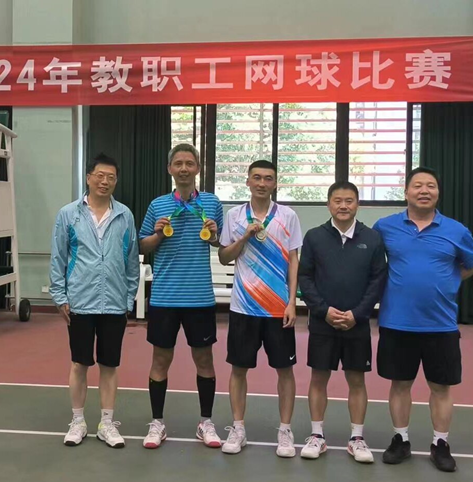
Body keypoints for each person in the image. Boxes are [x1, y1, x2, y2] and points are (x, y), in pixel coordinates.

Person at [373, 167, 473, 472]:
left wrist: (451, 280)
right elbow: (369, 261)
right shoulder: (385, 226)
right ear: (406, 192)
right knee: (400, 384)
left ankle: (440, 443)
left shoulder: (456, 230)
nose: (424, 190)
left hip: (441, 324)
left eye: (431, 186)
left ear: (438, 192)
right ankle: (400, 439)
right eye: (418, 185)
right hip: (396, 322)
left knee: (441, 387)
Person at [50, 153, 140, 448]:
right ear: (88, 177)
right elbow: (58, 257)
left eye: (111, 177)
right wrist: (60, 296)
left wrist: (129, 298)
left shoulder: (124, 215)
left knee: (109, 365)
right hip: (80, 301)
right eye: (100, 175)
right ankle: (77, 422)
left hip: (114, 302)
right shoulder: (68, 214)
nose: (105, 181)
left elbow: (131, 260)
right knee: (80, 363)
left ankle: (106, 423)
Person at [138, 143, 224, 449]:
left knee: (204, 360)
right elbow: (143, 246)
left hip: (199, 298)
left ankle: (206, 422)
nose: (184, 168)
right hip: (164, 297)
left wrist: (215, 234)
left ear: (198, 168)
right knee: (160, 360)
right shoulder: (158, 205)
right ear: (170, 169)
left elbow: (220, 244)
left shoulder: (212, 203)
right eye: (178, 163)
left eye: (189, 163)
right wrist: (158, 234)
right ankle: (157, 423)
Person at [217, 160, 302, 458]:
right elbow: (225, 257)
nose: (262, 183)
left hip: (278, 309)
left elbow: (294, 260)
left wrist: (292, 301)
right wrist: (244, 236)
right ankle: (238, 428)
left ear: (275, 183)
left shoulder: (288, 216)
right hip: (244, 307)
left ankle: (285, 431)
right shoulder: (235, 216)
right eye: (257, 178)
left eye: (268, 178)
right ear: (248, 182)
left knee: (285, 371)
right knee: (238, 369)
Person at [297, 181, 386, 464]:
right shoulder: (314, 237)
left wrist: (357, 314)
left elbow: (378, 280)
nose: (343, 206)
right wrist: (323, 311)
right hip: (322, 323)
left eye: (349, 201)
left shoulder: (372, 238)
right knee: (318, 378)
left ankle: (357, 438)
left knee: (357, 380)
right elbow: (305, 277)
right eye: (338, 201)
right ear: (329, 204)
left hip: (356, 324)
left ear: (357, 204)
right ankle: (317, 435)